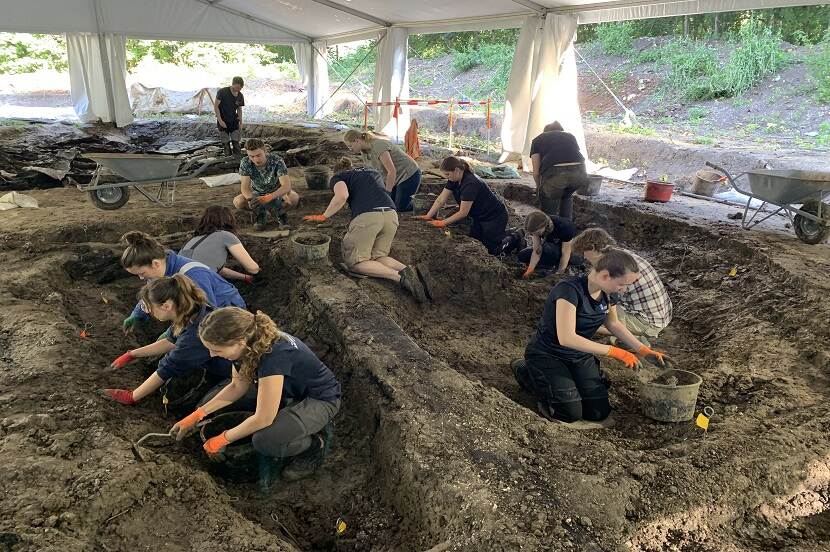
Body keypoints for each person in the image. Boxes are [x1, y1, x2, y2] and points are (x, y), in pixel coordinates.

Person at [171, 307, 341, 482]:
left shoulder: (274, 356)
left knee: (264, 440)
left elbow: (263, 419)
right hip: (288, 391)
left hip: (320, 399)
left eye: (217, 350)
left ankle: (313, 446)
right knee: (215, 405)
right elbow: (237, 386)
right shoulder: (250, 344)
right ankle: (287, 419)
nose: (212, 355)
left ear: (240, 341)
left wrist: (222, 439)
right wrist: (198, 414)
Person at [513, 248, 668, 424]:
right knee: (569, 413)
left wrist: (643, 350)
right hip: (548, 354)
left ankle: (567, 382)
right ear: (604, 276)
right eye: (622, 284)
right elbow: (567, 338)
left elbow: (613, 324)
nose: (624, 290)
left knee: (598, 412)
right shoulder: (569, 290)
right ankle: (525, 373)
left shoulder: (608, 295)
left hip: (578, 355)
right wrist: (615, 352)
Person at [302, 157, 427, 302]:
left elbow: (342, 196)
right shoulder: (371, 172)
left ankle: (399, 278)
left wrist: (324, 216)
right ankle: (412, 273)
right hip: (391, 215)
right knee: (378, 257)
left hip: (369, 217)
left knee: (355, 263)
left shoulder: (338, 177)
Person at [103, 275, 232, 407]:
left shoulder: (195, 334)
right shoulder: (191, 311)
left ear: (166, 306)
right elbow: (170, 341)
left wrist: (132, 396)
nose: (150, 313)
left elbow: (168, 367)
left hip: (235, 376)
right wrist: (132, 354)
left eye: (150, 308)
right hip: (219, 366)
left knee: (203, 406)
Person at [120, 231, 246, 335]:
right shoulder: (157, 272)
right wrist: (137, 314)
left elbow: (204, 314)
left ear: (155, 264)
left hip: (227, 311)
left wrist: (172, 335)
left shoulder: (194, 275)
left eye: (142, 273)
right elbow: (151, 295)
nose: (141, 278)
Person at [571, 228, 672, 345]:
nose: (584, 257)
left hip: (647, 322)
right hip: (661, 316)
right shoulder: (621, 255)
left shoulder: (611, 266)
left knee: (588, 316)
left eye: (584, 252)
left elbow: (603, 298)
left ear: (593, 247)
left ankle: (630, 339)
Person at [417, 156, 508, 255]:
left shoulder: (470, 183)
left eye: (448, 174)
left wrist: (443, 223)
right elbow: (441, 199)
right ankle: (504, 234)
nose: (447, 177)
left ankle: (515, 238)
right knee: (477, 241)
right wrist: (428, 216)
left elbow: (463, 212)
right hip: (479, 216)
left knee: (493, 250)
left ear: (456, 170)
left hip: (495, 217)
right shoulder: (454, 179)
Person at [344, 129, 421, 212]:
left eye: (350, 146)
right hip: (395, 178)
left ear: (357, 141)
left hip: (408, 174)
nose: (350, 149)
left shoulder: (378, 146)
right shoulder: (364, 152)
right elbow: (373, 173)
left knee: (399, 207)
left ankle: (424, 204)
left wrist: (386, 194)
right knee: (390, 205)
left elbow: (391, 171)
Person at [232, 138, 300, 231]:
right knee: (238, 201)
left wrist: (267, 198)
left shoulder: (277, 160)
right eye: (251, 156)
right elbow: (244, 187)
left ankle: (280, 214)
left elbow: (286, 186)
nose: (256, 159)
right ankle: (261, 214)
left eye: (258, 155)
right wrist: (251, 199)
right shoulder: (245, 162)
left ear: (265, 151)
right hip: (258, 192)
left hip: (278, 192)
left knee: (294, 198)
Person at [179, 206, 260, 283]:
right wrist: (259, 270)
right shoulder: (225, 235)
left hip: (177, 284)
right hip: (198, 285)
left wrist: (245, 277)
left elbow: (216, 269)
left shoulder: (193, 240)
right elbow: (252, 269)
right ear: (228, 221)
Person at [530, 121, 587, 220]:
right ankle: (567, 229)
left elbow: (536, 173)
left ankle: (548, 230)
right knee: (566, 195)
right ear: (561, 130)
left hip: (556, 174)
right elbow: (575, 157)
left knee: (548, 211)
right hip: (580, 174)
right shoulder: (570, 137)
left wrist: (539, 188)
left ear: (545, 132)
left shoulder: (538, 140)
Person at [518, 211, 579, 278]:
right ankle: (547, 264)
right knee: (522, 255)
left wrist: (559, 273)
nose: (535, 235)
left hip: (572, 251)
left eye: (537, 233)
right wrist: (530, 270)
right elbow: (537, 251)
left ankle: (549, 266)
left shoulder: (565, 227)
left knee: (548, 249)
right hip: (553, 246)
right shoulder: (537, 228)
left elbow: (565, 253)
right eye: (533, 233)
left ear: (544, 226)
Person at [214, 76, 245, 157]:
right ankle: (228, 160)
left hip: (234, 121)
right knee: (226, 144)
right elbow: (216, 106)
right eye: (238, 87)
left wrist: (241, 122)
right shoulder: (222, 92)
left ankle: (237, 160)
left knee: (236, 143)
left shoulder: (240, 95)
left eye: (241, 88)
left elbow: (239, 109)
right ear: (233, 84)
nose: (239, 89)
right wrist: (220, 120)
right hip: (223, 119)